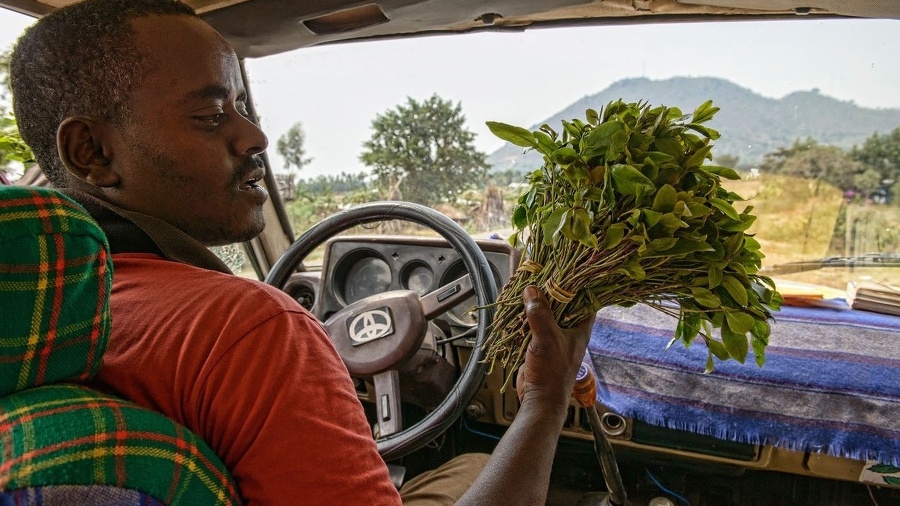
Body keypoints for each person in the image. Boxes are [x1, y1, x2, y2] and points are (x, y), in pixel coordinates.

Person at [10, 0, 593, 504]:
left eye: (244, 107)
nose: (255, 137)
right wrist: (545, 401)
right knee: (471, 465)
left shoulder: (42, 314)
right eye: (212, 117)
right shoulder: (252, 331)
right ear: (91, 151)